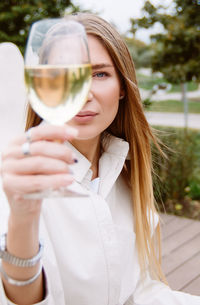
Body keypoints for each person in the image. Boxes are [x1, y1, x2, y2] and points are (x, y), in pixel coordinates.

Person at [0, 12, 199, 305]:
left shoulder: (125, 171)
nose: (83, 93)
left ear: (122, 87)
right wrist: (22, 218)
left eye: (99, 74)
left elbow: (141, 293)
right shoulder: (19, 177)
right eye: (64, 75)